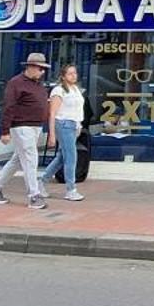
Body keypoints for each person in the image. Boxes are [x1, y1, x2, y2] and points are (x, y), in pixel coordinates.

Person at [0, 51, 51, 208]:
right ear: (31, 67)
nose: (43, 72)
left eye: (43, 69)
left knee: (16, 160)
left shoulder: (37, 84)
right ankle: (34, 195)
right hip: (22, 126)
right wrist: (5, 130)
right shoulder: (16, 83)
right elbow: (9, 107)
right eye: (41, 69)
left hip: (35, 127)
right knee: (30, 159)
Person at [49, 61, 90, 202]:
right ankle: (71, 189)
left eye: (75, 73)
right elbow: (53, 113)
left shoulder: (76, 89)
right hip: (63, 124)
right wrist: (52, 134)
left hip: (73, 125)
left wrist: (78, 125)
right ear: (63, 76)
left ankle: (41, 182)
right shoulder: (58, 90)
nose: (73, 76)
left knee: (62, 157)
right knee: (71, 157)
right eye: (70, 73)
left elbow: (77, 110)